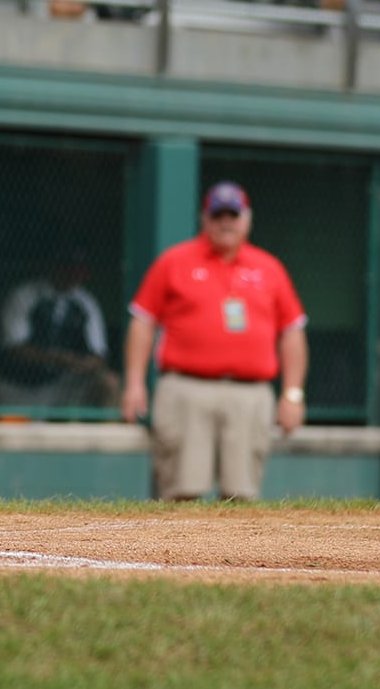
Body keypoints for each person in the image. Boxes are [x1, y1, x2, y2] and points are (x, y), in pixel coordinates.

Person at [122, 182, 308, 501]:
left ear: (247, 219)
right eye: (217, 214)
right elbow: (143, 323)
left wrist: (292, 394)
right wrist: (135, 383)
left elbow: (292, 332)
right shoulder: (174, 261)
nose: (226, 222)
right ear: (204, 219)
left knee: (241, 496)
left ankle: (233, 554)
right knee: (181, 491)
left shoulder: (269, 268)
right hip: (186, 389)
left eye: (233, 215)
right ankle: (169, 553)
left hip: (250, 394)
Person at [0, 250, 118, 408]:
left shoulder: (85, 302)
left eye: (78, 271)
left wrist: (83, 364)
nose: (71, 276)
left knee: (109, 382)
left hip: (63, 383)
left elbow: (99, 355)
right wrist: (56, 358)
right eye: (67, 270)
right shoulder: (25, 294)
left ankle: (104, 431)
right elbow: (13, 348)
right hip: (18, 383)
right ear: (54, 268)